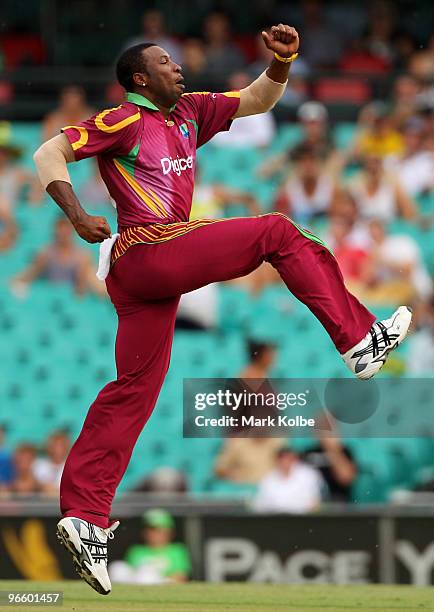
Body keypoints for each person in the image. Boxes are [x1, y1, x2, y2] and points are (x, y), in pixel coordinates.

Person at [33, 25, 412, 595]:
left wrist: (281, 66)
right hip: (150, 249)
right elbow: (48, 151)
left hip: (146, 279)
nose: (177, 65)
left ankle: (84, 518)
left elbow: (256, 101)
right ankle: (359, 340)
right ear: (140, 78)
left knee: (135, 388)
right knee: (277, 232)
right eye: (165, 61)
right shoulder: (126, 118)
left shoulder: (190, 112)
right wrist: (75, 213)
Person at [12, 216, 103, 297]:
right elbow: (29, 275)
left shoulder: (83, 257)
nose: (63, 232)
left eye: (66, 228)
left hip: (70, 299)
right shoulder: (46, 253)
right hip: (50, 298)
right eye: (60, 228)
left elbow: (82, 289)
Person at [109, 509, 191, 584]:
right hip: (135, 583)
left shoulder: (176, 550)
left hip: (162, 585)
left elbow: (181, 577)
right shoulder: (136, 550)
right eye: (149, 529)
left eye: (157, 529)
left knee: (146, 575)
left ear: (169, 531)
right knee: (117, 568)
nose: (153, 533)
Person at [252, 446, 324, 513]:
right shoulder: (268, 479)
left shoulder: (309, 475)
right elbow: (260, 505)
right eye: (282, 459)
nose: (285, 462)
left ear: (295, 459)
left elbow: (314, 503)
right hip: (275, 520)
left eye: (289, 459)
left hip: (302, 519)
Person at [33, 431, 71, 496]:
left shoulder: (73, 467)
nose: (57, 449)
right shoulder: (38, 465)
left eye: (61, 445)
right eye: (54, 445)